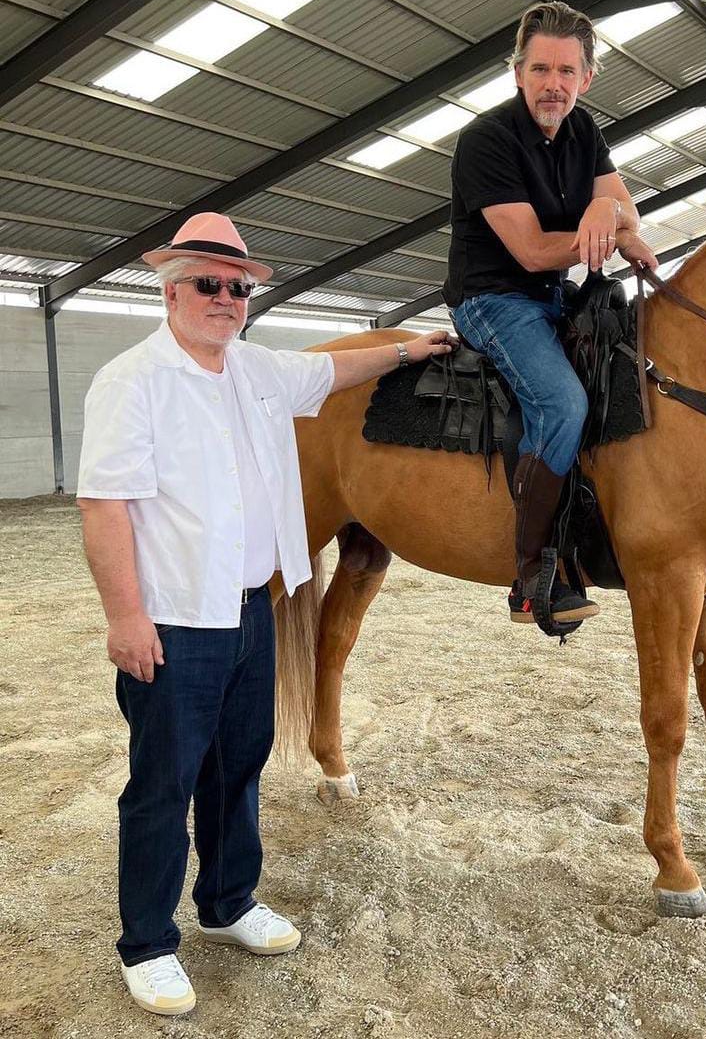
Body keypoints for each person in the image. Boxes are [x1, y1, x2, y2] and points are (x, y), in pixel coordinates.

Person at [76, 212, 454, 1016]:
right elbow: (104, 507)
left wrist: (408, 349)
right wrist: (124, 618)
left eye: (236, 287)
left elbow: (336, 374)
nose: (224, 298)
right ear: (172, 290)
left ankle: (227, 904)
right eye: (207, 284)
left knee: (238, 766)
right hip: (176, 619)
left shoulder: (256, 371)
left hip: (255, 607)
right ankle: (146, 943)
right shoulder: (131, 381)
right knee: (162, 783)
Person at [444, 0, 659, 627]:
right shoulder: (485, 140)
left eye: (567, 72)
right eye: (541, 69)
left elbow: (627, 213)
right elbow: (534, 250)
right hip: (492, 299)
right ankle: (533, 575)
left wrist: (609, 215)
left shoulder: (584, 132)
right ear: (518, 73)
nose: (553, 85)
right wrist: (609, 222)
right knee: (562, 403)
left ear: (586, 79)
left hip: (550, 296)